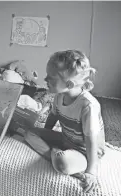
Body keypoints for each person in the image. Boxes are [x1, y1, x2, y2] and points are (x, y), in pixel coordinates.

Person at [21, 50, 105, 194]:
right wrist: (45, 133)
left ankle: (59, 158)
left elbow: (91, 142)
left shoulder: (88, 106)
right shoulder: (59, 97)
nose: (45, 79)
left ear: (70, 84)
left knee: (62, 164)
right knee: (29, 133)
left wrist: (91, 171)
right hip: (66, 139)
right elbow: (53, 117)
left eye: (51, 78)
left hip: (85, 150)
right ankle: (55, 154)